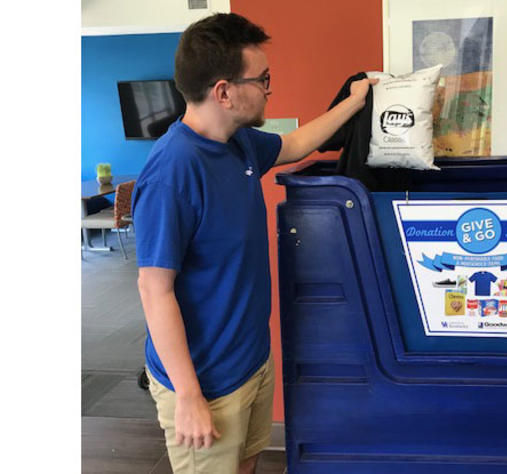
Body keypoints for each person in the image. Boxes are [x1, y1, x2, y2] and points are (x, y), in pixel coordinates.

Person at [131, 12, 376, 474]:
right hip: (205, 381)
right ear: (223, 91)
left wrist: (354, 101)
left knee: (246, 465)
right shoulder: (173, 171)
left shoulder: (238, 142)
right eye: (262, 79)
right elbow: (153, 289)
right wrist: (188, 396)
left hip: (251, 361)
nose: (269, 88)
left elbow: (296, 143)